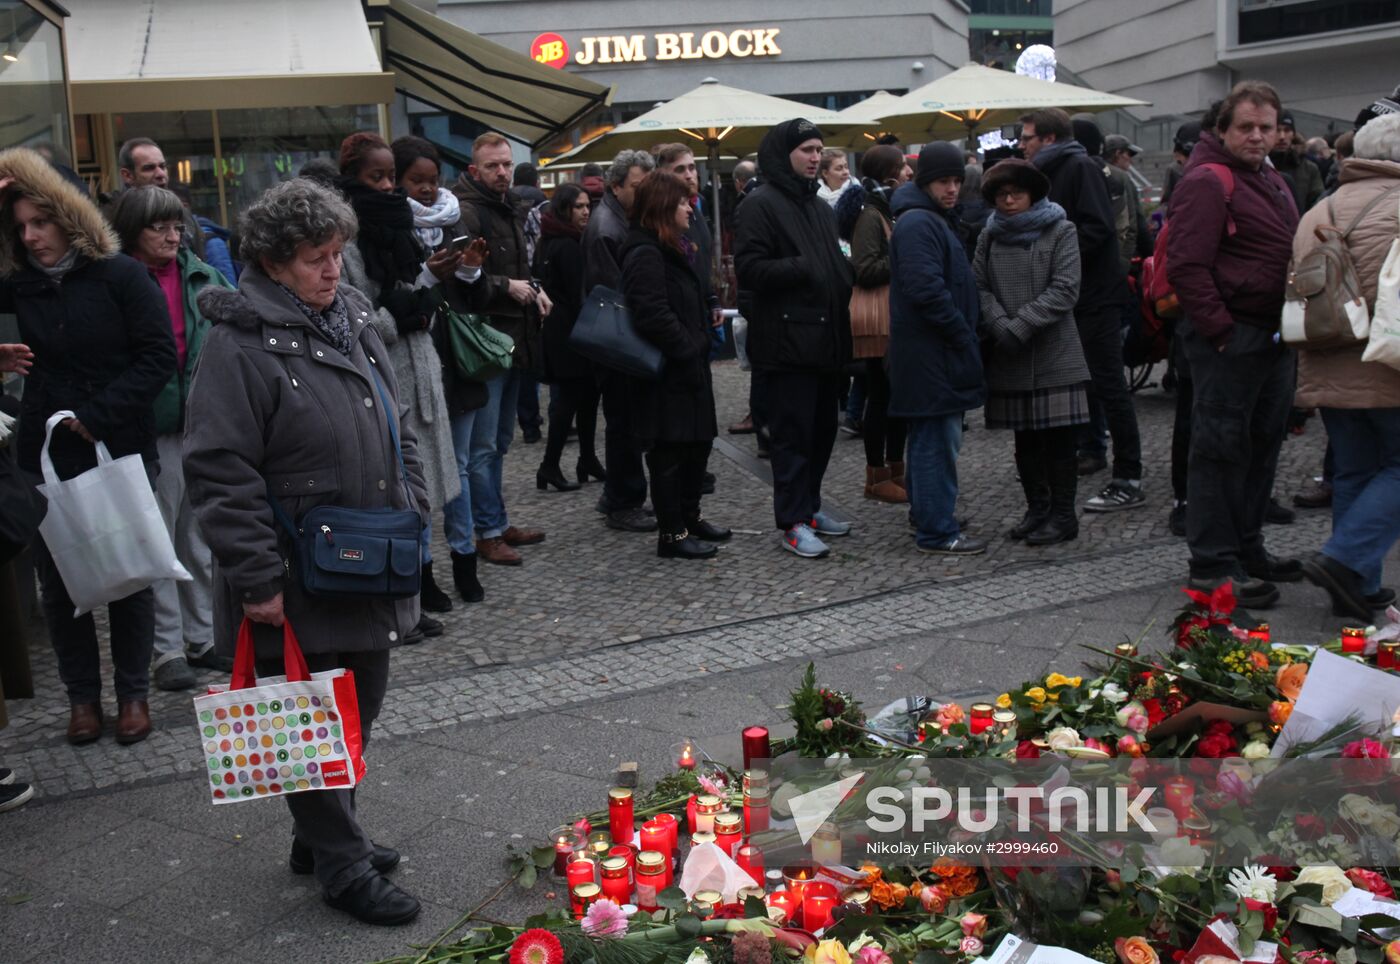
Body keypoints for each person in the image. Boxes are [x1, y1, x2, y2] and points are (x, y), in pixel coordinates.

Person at [183, 177, 427, 926]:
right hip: (294, 571)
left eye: (337, 253)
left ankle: (319, 836)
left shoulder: (350, 316)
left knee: (359, 708)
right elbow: (219, 470)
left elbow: (398, 422)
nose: (334, 269)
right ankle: (342, 865)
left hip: (369, 557)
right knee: (308, 720)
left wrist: (412, 503)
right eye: (317, 258)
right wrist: (257, 579)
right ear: (274, 261)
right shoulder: (237, 343)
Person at [0, 147, 176, 745]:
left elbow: (159, 357)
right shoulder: (16, 285)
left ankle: (133, 695)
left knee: (130, 575)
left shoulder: (120, 274)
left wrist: (101, 414)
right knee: (59, 582)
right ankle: (82, 700)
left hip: (117, 443)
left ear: (68, 217)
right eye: (20, 227)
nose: (31, 237)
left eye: (41, 223)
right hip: (44, 453)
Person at [1166, 80, 1301, 609]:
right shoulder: (1208, 179)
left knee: (1260, 449)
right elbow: (1188, 265)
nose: (1257, 136)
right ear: (1222, 130)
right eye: (1245, 126)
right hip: (1233, 337)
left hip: (1270, 336)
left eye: (1266, 127)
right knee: (1220, 453)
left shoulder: (1268, 178)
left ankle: (1247, 549)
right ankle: (1213, 568)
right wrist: (1222, 332)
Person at [108, 185, 235, 690]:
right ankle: (165, 651)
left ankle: (203, 637)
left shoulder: (201, 273)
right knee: (157, 540)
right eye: (158, 226)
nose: (171, 234)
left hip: (200, 423)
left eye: (177, 225)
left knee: (199, 537)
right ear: (133, 230)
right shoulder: (120, 280)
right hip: (148, 428)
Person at [335, 133, 455, 639]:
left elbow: (413, 295)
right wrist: (404, 310)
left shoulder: (400, 229)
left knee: (420, 489)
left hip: (418, 367)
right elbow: (355, 316)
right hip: (380, 373)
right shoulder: (350, 240)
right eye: (376, 178)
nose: (387, 187)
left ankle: (420, 584)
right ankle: (397, 598)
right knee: (393, 492)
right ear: (354, 179)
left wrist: (426, 289)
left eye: (390, 177)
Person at [1293, 113, 1400, 619]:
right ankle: (1343, 560)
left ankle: (1357, 586)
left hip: (1328, 361)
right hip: (1388, 364)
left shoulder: (1320, 209)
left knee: (1355, 469)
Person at [734, 119, 855, 559]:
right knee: (792, 438)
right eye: (806, 149)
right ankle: (793, 521)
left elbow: (836, 260)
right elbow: (749, 269)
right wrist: (804, 268)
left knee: (822, 434)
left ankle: (811, 507)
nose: (815, 157)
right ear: (784, 154)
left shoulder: (820, 206)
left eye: (819, 149)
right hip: (786, 345)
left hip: (827, 342)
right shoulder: (759, 204)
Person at [1020, 108, 1143, 512]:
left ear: (1049, 139)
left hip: (1095, 297)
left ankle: (1129, 476)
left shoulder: (1080, 167)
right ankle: (1089, 453)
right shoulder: (1047, 172)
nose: (1022, 144)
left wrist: (1054, 259)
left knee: (1109, 384)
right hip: (1073, 296)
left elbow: (1098, 228)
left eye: (1028, 137)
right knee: (1083, 383)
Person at [441, 132, 550, 567]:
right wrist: (511, 287)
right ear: (475, 170)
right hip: (485, 344)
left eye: (506, 164)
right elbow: (462, 281)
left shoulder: (509, 207)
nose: (502, 172)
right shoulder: (468, 212)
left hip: (512, 339)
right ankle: (486, 532)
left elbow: (512, 270)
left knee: (500, 442)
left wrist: (534, 289)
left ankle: (496, 521)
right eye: (493, 166)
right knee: (483, 447)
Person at [392, 136, 492, 606]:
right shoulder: (391, 230)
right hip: (415, 363)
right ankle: (426, 570)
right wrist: (429, 276)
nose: (428, 190)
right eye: (417, 181)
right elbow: (395, 302)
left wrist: (470, 271)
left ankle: (465, 558)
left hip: (458, 361)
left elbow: (475, 301)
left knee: (462, 468)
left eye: (432, 180)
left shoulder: (458, 217)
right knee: (423, 473)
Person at [974, 160, 1088, 545]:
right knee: (1025, 441)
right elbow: (978, 286)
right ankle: (1037, 510)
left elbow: (1066, 289)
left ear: (1033, 195)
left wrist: (1020, 324)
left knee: (1058, 440)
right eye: (1001, 195)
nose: (1008, 201)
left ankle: (1063, 515)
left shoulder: (1061, 230)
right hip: (1009, 352)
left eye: (1016, 194)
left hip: (1055, 351)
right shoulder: (988, 236)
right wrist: (998, 323)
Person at [619, 171, 730, 559]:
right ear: (665, 207)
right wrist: (689, 345)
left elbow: (692, 293)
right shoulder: (645, 251)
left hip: (687, 367)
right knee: (669, 452)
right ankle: (672, 534)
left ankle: (690, 516)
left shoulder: (676, 246)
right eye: (683, 201)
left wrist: (708, 309)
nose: (690, 207)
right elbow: (651, 312)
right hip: (667, 373)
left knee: (696, 445)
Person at [887, 142, 986, 556]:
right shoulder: (919, 224)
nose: (952, 189)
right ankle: (936, 529)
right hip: (932, 353)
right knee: (935, 440)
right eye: (944, 181)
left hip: (934, 351)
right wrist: (961, 332)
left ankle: (931, 515)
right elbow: (925, 289)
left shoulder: (929, 219)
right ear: (926, 181)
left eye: (957, 181)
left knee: (935, 438)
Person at [581, 148, 659, 533]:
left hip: (620, 339)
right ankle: (623, 501)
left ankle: (620, 495)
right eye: (637, 186)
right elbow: (613, 293)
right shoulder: (606, 228)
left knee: (627, 422)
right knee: (624, 423)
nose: (644, 194)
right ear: (616, 186)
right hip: (616, 341)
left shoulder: (621, 219)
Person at [836, 144, 912, 504]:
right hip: (880, 321)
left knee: (895, 398)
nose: (910, 173)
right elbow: (865, 269)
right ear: (889, 175)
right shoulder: (871, 215)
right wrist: (905, 257)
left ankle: (896, 471)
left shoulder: (886, 208)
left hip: (893, 318)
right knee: (882, 399)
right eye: (903, 167)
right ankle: (877, 476)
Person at [533, 183, 604, 492]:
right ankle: (549, 465)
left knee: (586, 397)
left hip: (563, 331)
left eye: (587, 205)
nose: (586, 211)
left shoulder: (549, 240)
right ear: (564, 209)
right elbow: (579, 294)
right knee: (569, 402)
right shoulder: (568, 244)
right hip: (571, 333)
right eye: (578, 206)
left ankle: (587, 459)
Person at [112, 137, 205, 259]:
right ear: (127, 175)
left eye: (162, 166)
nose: (160, 174)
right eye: (149, 168)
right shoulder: (112, 218)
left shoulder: (184, 215)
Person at [1272, 112, 1324, 213]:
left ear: (1293, 134)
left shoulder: (1309, 169)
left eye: (1287, 130)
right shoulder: (1257, 165)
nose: (1282, 136)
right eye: (1277, 130)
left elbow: (1317, 203)